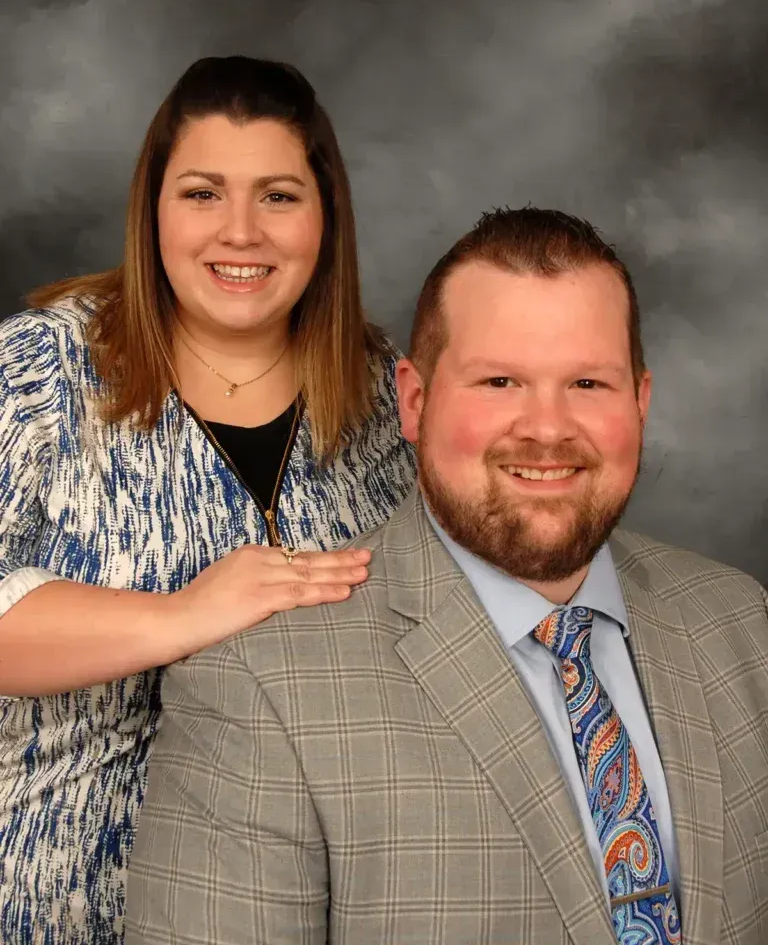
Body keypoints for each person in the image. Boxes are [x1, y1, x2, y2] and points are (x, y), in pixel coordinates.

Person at [127, 206, 768, 945]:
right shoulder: (258, 686)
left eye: (588, 383)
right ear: (414, 401)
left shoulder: (738, 621)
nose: (548, 428)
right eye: (500, 381)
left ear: (640, 403)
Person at [0, 56, 415, 944]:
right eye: (200, 193)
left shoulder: (385, 395)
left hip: (295, 910)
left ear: (325, 218)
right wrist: (185, 614)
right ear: (153, 211)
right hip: (48, 909)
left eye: (277, 196)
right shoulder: (38, 373)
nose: (240, 232)